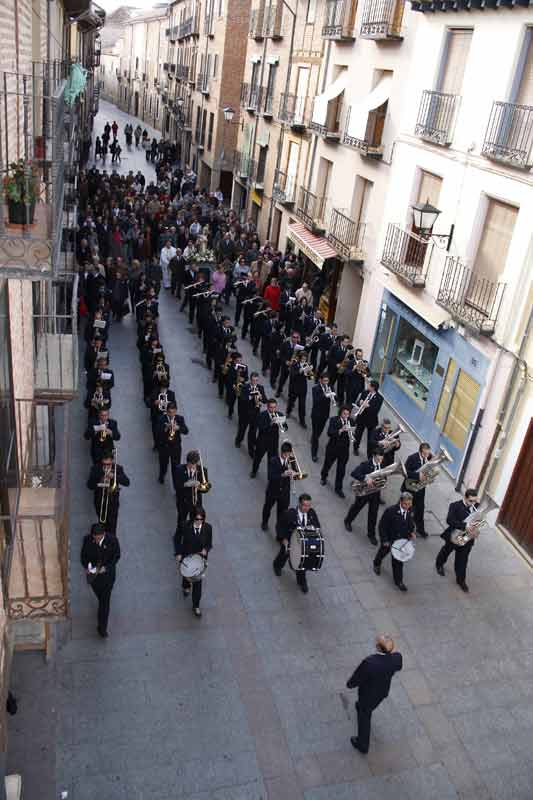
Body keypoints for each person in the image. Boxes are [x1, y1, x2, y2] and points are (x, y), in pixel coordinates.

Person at [346, 635, 403, 754]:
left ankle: (362, 744)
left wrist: (350, 684)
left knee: (364, 717)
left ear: (378, 647)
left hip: (367, 695)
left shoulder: (369, 663)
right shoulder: (397, 658)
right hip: (382, 692)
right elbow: (398, 666)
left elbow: (358, 677)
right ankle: (362, 707)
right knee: (367, 706)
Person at [273, 493, 321, 594]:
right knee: (283, 555)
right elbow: (279, 526)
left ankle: (302, 582)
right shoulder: (290, 514)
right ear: (299, 504)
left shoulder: (311, 513)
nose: (307, 508)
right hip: (290, 541)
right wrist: (283, 539)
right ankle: (277, 566)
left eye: (309, 505)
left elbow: (317, 526)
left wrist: (313, 529)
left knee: (302, 564)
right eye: (304, 505)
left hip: (303, 545)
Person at [80, 522, 121, 638]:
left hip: (107, 577)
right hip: (93, 577)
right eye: (95, 538)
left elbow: (116, 556)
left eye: (99, 538)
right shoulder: (87, 540)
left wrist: (106, 568)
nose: (97, 540)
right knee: (100, 596)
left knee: (104, 602)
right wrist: (87, 567)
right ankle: (102, 604)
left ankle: (102, 628)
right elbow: (83, 556)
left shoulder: (112, 540)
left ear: (103, 534)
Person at [436, 489, 480, 592]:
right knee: (446, 551)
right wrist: (465, 526)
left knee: (463, 560)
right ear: (465, 497)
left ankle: (461, 580)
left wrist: (476, 531)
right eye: (470, 501)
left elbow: (478, 520)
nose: (473, 503)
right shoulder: (454, 505)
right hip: (454, 535)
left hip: (467, 538)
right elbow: (449, 520)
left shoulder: (476, 506)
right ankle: (439, 564)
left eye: (474, 501)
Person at [174, 507, 212, 618]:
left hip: (200, 559)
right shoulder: (185, 526)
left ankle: (196, 605)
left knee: (198, 583)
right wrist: (178, 553)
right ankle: (185, 585)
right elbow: (178, 540)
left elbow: (209, 543)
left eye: (201, 519)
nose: (199, 521)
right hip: (187, 557)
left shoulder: (208, 528)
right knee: (186, 575)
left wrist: (206, 549)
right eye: (197, 519)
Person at [373, 492, 415, 591]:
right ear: (400, 501)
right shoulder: (390, 511)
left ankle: (399, 581)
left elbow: (410, 524)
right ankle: (377, 563)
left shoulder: (410, 510)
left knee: (398, 561)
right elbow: (382, 526)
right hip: (390, 539)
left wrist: (411, 532)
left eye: (409, 504)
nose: (407, 507)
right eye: (405, 504)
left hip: (401, 542)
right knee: (382, 552)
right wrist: (384, 540)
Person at [343, 448, 385, 545]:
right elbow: (354, 473)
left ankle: (371, 534)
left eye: (382, 459)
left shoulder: (382, 465)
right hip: (364, 492)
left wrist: (382, 482)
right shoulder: (365, 464)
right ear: (374, 456)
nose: (380, 461)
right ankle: (348, 521)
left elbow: (384, 476)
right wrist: (365, 478)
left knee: (373, 514)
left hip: (375, 493)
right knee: (357, 507)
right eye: (379, 459)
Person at [87, 453, 130, 536]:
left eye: (108, 464)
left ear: (112, 462)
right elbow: (89, 485)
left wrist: (114, 476)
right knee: (102, 523)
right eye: (104, 464)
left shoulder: (118, 468)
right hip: (100, 501)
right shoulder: (96, 469)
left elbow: (127, 482)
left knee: (112, 525)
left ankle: (111, 540)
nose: (106, 467)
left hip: (113, 501)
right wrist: (100, 479)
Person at [320, 405, 355, 498]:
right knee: (327, 464)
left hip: (344, 450)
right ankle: (323, 477)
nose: (346, 416)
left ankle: (338, 488)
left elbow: (354, 431)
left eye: (348, 414)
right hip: (333, 448)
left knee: (341, 470)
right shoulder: (334, 420)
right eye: (344, 413)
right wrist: (340, 430)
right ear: (340, 413)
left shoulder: (351, 421)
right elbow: (329, 433)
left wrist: (352, 433)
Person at [401, 442, 432, 538]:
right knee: (406, 509)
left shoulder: (428, 457)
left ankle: (420, 529)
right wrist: (418, 475)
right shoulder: (412, 458)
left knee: (420, 510)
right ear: (420, 452)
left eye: (428, 453)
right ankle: (403, 529)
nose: (427, 455)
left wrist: (429, 477)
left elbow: (430, 468)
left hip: (420, 489)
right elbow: (405, 472)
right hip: (409, 488)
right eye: (425, 454)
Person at [261, 441, 294, 531]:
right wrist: (283, 474)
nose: (287, 456)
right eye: (285, 454)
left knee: (282, 514)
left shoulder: (291, 462)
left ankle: (279, 531)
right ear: (282, 452)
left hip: (284, 493)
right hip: (273, 490)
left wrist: (294, 473)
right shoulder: (273, 460)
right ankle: (264, 522)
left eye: (289, 454)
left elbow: (296, 475)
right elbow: (270, 477)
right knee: (267, 507)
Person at [156, 402, 189, 487]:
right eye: (170, 412)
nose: (172, 414)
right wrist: (166, 428)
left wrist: (178, 428)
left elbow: (186, 431)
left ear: (176, 411)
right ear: (166, 412)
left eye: (174, 412)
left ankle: (175, 485)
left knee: (176, 467)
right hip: (164, 447)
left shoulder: (180, 418)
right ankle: (161, 476)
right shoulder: (161, 419)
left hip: (175, 447)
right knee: (163, 464)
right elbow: (158, 433)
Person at [250, 398, 285, 478]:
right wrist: (270, 423)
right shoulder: (262, 415)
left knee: (272, 461)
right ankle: (254, 471)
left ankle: (270, 476)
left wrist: (282, 425)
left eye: (274, 407)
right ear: (268, 407)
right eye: (271, 407)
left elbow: (285, 427)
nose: (273, 409)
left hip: (273, 443)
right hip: (263, 441)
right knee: (258, 458)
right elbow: (261, 427)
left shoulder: (280, 414)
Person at [174, 450, 208, 530]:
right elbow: (176, 486)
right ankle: (178, 537)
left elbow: (205, 489)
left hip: (196, 503)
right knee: (181, 521)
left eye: (194, 464)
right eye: (190, 464)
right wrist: (186, 484)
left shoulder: (203, 470)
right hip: (183, 502)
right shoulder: (179, 470)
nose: (192, 467)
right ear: (187, 462)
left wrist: (200, 486)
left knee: (195, 522)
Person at [235, 372, 267, 456]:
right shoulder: (245, 387)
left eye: (256, 380)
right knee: (242, 429)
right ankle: (238, 441)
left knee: (252, 433)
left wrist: (261, 397)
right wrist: (250, 397)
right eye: (253, 380)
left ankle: (251, 450)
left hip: (256, 414)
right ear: (250, 380)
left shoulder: (260, 388)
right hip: (245, 413)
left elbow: (265, 400)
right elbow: (242, 398)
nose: (255, 382)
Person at [352, 380, 384, 457]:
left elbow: (376, 410)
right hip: (361, 418)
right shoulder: (365, 392)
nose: (367, 386)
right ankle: (355, 448)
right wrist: (360, 403)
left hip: (371, 421)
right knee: (358, 435)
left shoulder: (380, 398)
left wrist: (368, 406)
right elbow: (358, 402)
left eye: (369, 385)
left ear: (373, 388)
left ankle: (369, 454)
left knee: (371, 439)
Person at [310, 373, 332, 462]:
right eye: (325, 380)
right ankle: (314, 453)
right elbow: (316, 401)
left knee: (319, 432)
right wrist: (325, 395)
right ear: (320, 380)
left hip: (325, 414)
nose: (326, 382)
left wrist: (333, 396)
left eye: (328, 381)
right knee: (316, 435)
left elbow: (335, 398)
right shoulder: (315, 388)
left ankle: (314, 437)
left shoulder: (330, 387)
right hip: (316, 414)